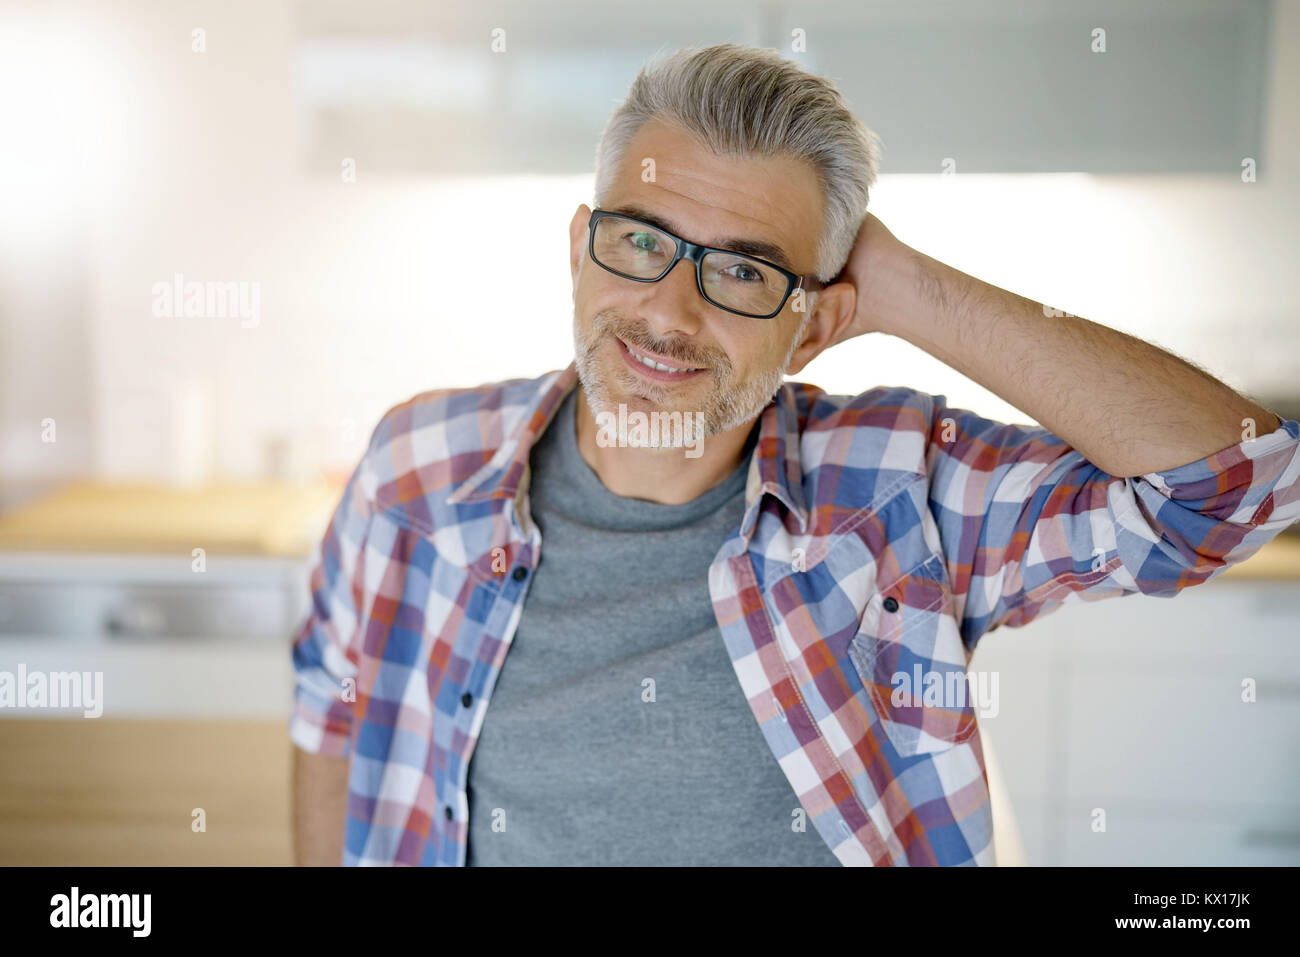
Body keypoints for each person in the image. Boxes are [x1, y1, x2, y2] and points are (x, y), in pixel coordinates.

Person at [290, 42, 1300, 866]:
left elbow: (1237, 483)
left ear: (814, 326)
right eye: (640, 242)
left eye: (741, 272)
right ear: (577, 248)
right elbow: (332, 723)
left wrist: (898, 284)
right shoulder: (416, 467)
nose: (667, 313)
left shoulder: (901, 490)